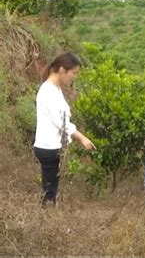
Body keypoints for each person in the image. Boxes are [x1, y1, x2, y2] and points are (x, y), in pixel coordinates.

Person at [33, 52, 96, 206]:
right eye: (73, 73)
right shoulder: (48, 91)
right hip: (48, 148)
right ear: (62, 70)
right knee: (49, 192)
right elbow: (61, 122)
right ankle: (45, 222)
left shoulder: (55, 89)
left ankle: (47, 218)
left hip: (53, 147)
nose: (74, 77)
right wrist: (82, 138)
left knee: (51, 190)